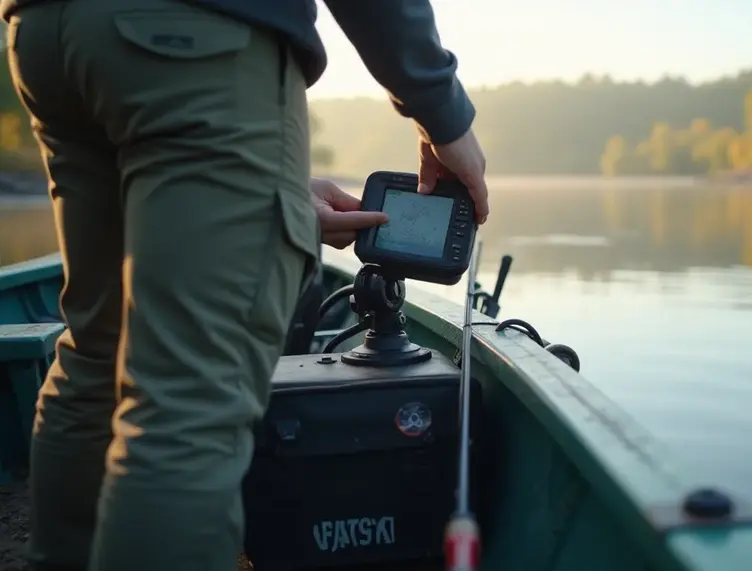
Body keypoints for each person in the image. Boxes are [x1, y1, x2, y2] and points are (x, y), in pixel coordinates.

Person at [1, 0, 489, 569]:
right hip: (196, 37)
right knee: (190, 401)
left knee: (96, 354)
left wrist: (268, 189)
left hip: (44, 31)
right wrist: (440, 110)